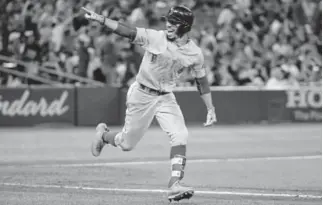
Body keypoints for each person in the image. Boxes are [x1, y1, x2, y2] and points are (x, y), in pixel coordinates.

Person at [82, 5, 217, 202]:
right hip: (142, 94)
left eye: (174, 22)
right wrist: (102, 19)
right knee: (127, 144)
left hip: (166, 97)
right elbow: (127, 31)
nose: (168, 25)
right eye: (168, 21)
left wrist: (210, 107)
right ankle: (103, 136)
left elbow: (201, 81)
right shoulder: (155, 37)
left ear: (185, 26)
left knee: (180, 134)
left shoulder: (195, 53)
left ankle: (174, 184)